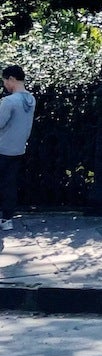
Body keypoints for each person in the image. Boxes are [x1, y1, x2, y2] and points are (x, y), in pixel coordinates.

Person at [0, 64, 35, 232]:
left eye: (5, 81)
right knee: (9, 184)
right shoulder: (30, 99)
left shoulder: (9, 101)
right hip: (18, 148)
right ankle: (7, 219)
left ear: (11, 79)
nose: (4, 85)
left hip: (2, 147)